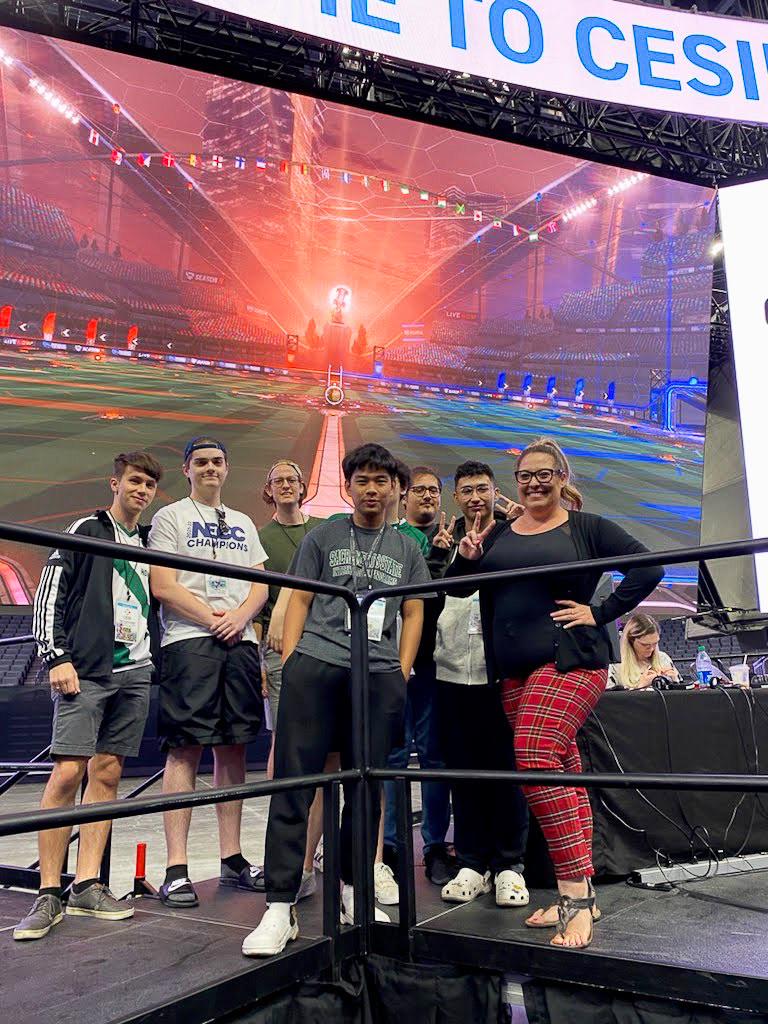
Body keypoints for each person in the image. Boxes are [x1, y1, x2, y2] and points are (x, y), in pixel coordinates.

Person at [448, 438, 663, 949]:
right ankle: (582, 890)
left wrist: (600, 612)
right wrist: (467, 558)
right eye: (525, 475)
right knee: (561, 771)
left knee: (535, 759)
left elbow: (648, 566)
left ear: (563, 477)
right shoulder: (499, 532)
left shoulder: (586, 527)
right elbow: (458, 589)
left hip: (568, 659)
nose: (534, 483)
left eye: (545, 474)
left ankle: (575, 897)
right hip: (514, 673)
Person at [242, 443, 431, 957]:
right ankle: (279, 904)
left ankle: (354, 889)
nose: (372, 489)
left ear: (396, 488)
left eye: (381, 481)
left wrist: (403, 668)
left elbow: (414, 612)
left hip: (378, 674)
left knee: (364, 789)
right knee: (296, 784)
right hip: (317, 667)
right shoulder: (324, 535)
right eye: (363, 480)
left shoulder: (408, 547)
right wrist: (297, 657)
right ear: (348, 487)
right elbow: (298, 597)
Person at [15, 451, 163, 941]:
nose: (141, 491)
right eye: (134, 482)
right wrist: (55, 656)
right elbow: (51, 592)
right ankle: (48, 892)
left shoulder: (148, 541)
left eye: (149, 485)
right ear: (115, 483)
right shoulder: (88, 528)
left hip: (135, 671)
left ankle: (87, 884)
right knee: (68, 771)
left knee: (108, 771)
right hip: (89, 669)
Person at [149, 437, 268, 908]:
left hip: (240, 640)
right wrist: (213, 617)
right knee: (184, 748)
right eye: (201, 462)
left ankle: (232, 857)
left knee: (234, 747)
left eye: (218, 461)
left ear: (227, 468)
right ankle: (176, 867)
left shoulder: (240, 521)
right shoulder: (171, 517)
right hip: (190, 641)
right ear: (188, 469)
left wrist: (240, 618)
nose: (210, 468)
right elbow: (163, 585)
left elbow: (261, 581)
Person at [429, 461, 529, 909]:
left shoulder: (514, 537)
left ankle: (510, 865)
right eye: (466, 489)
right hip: (451, 671)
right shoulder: (441, 543)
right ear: (456, 496)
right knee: (464, 771)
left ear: (495, 492)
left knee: (507, 771)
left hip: (501, 672)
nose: (475, 497)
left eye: (482, 489)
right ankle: (471, 861)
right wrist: (451, 558)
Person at [381, 466, 454, 891]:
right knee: (391, 757)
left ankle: (433, 847)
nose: (427, 496)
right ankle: (389, 847)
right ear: (405, 497)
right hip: (393, 661)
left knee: (434, 758)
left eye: (434, 490)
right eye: (419, 490)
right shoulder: (392, 539)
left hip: (438, 663)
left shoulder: (459, 539)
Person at [257, 459, 324, 898]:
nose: (285, 485)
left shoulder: (321, 530)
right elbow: (263, 603)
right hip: (281, 650)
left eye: (291, 479)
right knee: (287, 748)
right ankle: (286, 851)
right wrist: (264, 659)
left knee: (325, 753)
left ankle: (309, 854)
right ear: (269, 489)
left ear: (303, 487)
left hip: (323, 646)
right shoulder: (261, 538)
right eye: (277, 479)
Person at [609, 613, 680, 689]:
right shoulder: (615, 665)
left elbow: (682, 695)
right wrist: (640, 687)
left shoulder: (663, 659)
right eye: (645, 645)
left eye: (655, 643)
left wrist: (674, 681)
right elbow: (611, 699)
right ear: (631, 641)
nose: (652, 649)